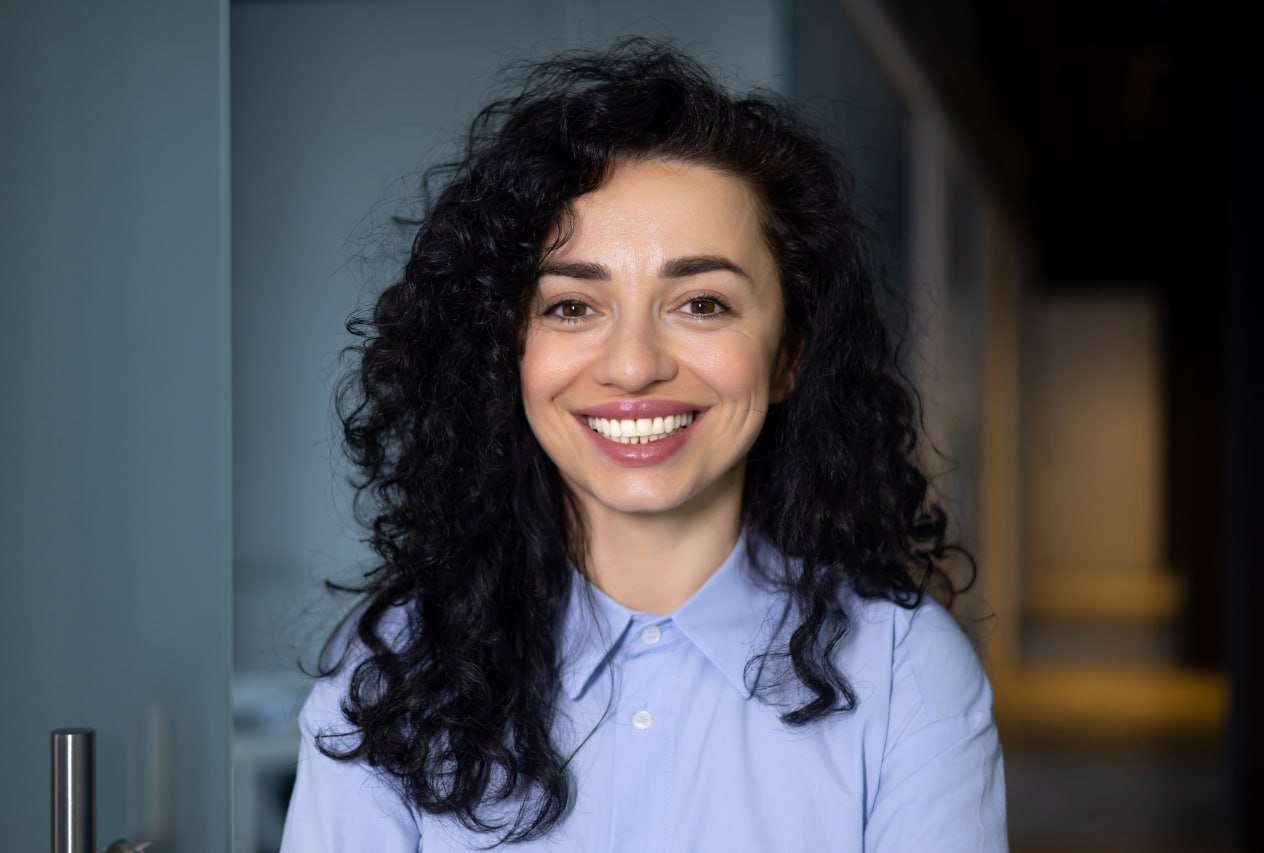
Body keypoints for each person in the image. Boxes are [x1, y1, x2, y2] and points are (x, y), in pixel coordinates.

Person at [281, 38, 1007, 852]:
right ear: (507, 349)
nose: (632, 366)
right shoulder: (389, 674)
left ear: (789, 355)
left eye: (701, 304)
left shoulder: (906, 674)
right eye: (571, 307)